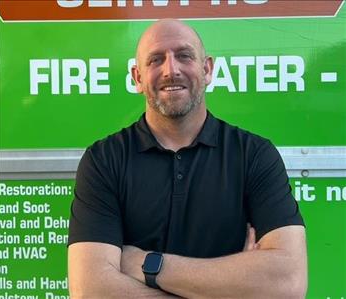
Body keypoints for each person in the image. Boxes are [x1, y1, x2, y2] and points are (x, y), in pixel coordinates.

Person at [68, 19, 307, 298]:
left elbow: (288, 283)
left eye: (184, 56)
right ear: (137, 78)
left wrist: (148, 265)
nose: (171, 70)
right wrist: (235, 286)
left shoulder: (253, 155)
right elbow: (90, 290)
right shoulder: (104, 161)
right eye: (156, 60)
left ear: (206, 69)